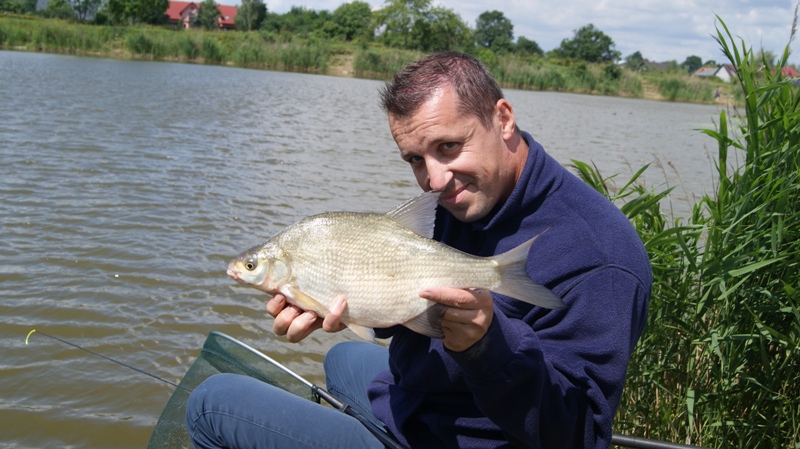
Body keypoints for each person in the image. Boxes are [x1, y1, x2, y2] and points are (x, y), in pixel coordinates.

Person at [186, 51, 651, 449]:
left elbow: (582, 435)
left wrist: (487, 345)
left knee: (211, 403)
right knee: (341, 358)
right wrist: (351, 299)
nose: (435, 179)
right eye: (415, 159)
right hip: (428, 400)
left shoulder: (600, 258)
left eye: (449, 146)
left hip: (469, 437)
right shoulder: (464, 195)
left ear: (503, 119)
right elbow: (404, 286)